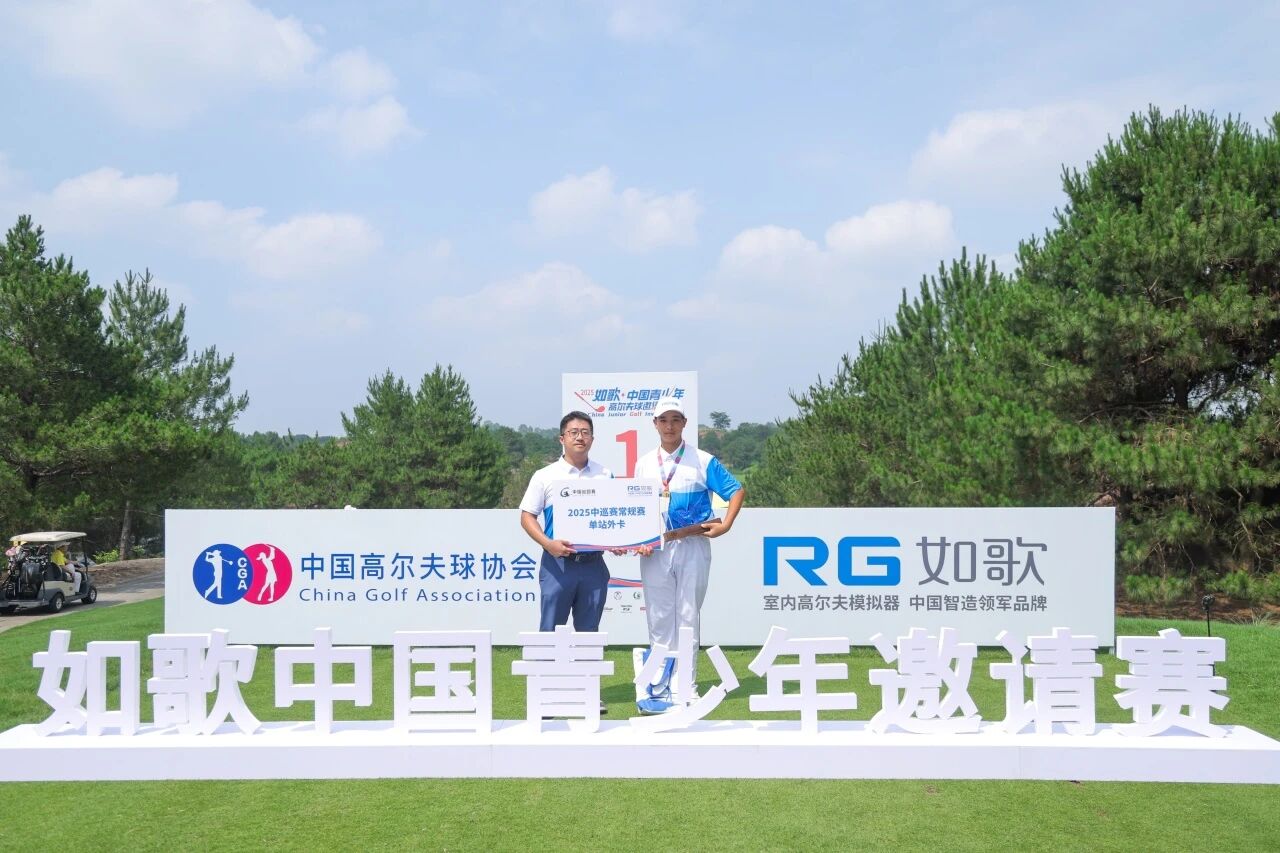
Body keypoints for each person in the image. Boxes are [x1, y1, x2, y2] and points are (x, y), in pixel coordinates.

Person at [634, 396, 744, 706]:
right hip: (657, 548)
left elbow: (736, 490)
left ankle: (686, 687)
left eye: (675, 420)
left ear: (684, 423)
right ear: (655, 424)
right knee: (658, 616)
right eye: (663, 420)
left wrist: (726, 525)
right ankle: (659, 685)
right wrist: (638, 540)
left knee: (687, 615)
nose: (669, 426)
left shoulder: (703, 460)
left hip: (693, 544)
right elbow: (636, 508)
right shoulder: (644, 463)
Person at [518, 411, 615, 633]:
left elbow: (613, 516)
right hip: (558, 564)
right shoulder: (544, 475)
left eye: (585, 432)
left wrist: (618, 543)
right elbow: (527, 516)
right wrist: (548, 543)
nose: (580, 437)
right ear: (562, 438)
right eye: (574, 432)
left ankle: (587, 660)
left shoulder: (605, 474)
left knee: (588, 635)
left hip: (593, 565)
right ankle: (547, 659)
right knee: (550, 632)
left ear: (592, 439)